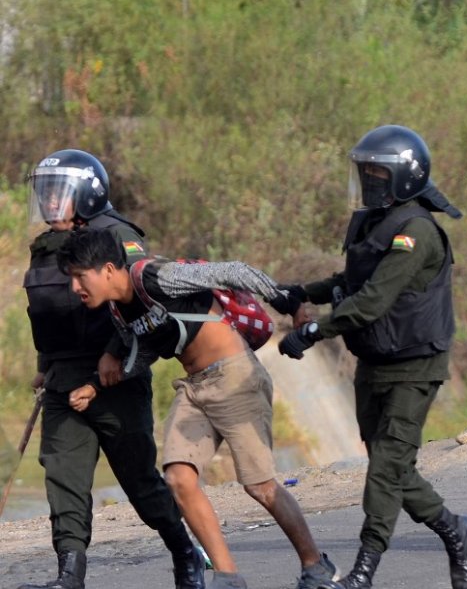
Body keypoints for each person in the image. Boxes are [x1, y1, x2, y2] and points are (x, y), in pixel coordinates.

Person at [55, 229, 337, 589]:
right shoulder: (120, 311)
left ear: (108, 269)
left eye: (81, 276)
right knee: (178, 478)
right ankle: (228, 577)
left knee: (261, 486)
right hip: (195, 387)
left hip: (236, 377)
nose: (75, 287)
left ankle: (315, 566)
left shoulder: (156, 276)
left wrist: (291, 303)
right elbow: (147, 351)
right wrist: (96, 384)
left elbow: (234, 271)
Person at [275, 125, 467, 589]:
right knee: (393, 467)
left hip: (415, 364)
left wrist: (311, 331)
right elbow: (349, 281)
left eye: (377, 175)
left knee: (385, 469)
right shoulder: (372, 222)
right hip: (375, 361)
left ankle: (364, 572)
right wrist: (299, 293)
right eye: (364, 173)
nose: (368, 183)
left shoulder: (417, 232)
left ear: (403, 178)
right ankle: (455, 530)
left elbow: (371, 302)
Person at [19, 149, 204, 589]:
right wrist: (46, 366)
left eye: (57, 192)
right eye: (43, 192)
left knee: (140, 483)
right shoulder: (45, 246)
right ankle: (69, 576)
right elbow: (45, 312)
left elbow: (139, 302)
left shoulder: (118, 235)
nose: (48, 202)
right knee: (63, 478)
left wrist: (115, 355)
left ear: (86, 194)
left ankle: (187, 555)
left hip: (115, 376)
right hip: (64, 379)